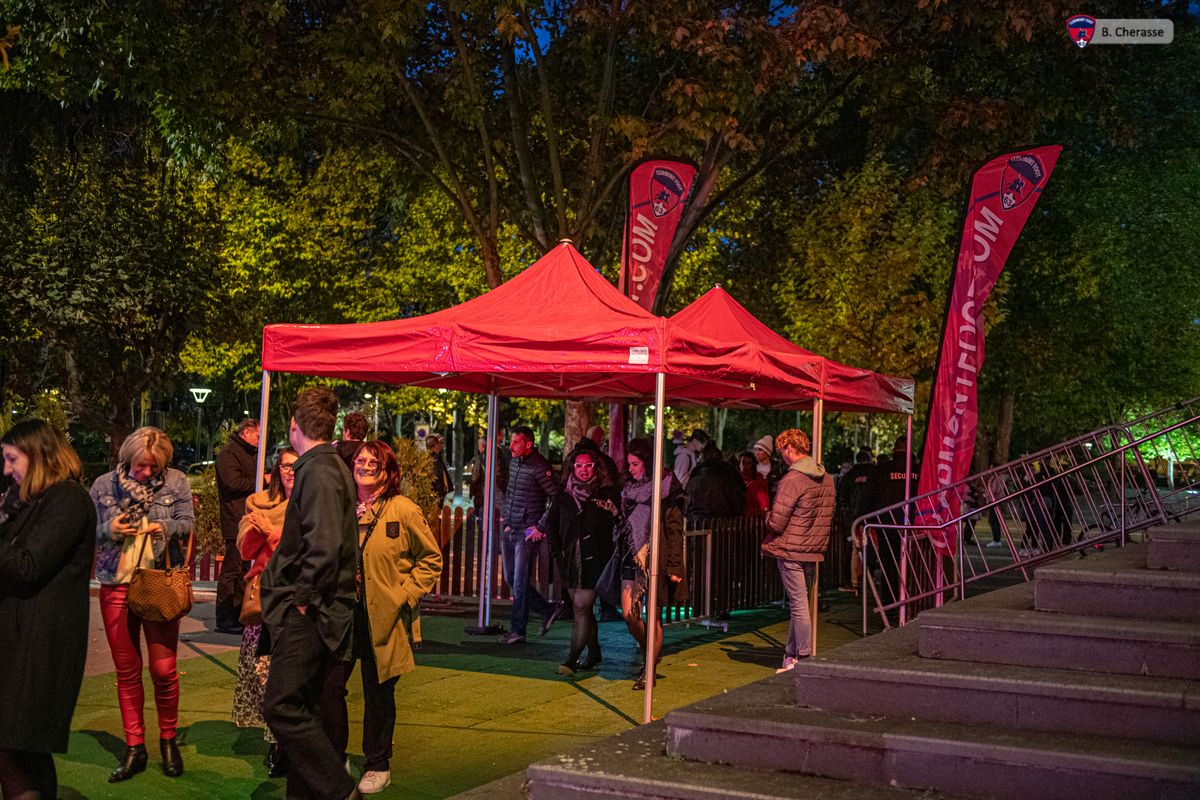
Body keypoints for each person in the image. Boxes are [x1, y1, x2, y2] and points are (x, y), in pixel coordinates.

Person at [260, 387, 359, 800]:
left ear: (293, 426)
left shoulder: (318, 471)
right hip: (322, 608)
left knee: (281, 705)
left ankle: (339, 790)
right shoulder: (327, 467)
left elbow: (323, 546)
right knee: (308, 706)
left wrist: (300, 599)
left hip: (312, 610)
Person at [91, 426, 195, 781]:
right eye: (140, 466)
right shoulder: (104, 484)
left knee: (164, 669)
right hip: (116, 580)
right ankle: (135, 746)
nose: (147, 473)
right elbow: (88, 530)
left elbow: (188, 523)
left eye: (153, 467)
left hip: (158, 582)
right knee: (127, 670)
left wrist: (161, 526)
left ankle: (168, 739)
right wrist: (110, 530)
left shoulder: (177, 481)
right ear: (127, 459)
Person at [0, 420, 96, 800]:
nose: (7, 470)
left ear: (38, 456)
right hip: (23, 641)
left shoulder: (67, 499)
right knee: (23, 749)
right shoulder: (32, 501)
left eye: (12, 459)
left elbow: (28, 565)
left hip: (42, 645)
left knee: (15, 746)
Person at [345, 440, 442, 795]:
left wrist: (405, 594)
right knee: (329, 686)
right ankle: (333, 754)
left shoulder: (402, 509)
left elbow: (431, 558)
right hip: (344, 613)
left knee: (379, 691)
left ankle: (377, 763)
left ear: (388, 470)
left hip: (384, 617)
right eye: (360, 459)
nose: (366, 465)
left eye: (374, 461)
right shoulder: (343, 507)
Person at [233, 448, 298, 778]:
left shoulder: (307, 505)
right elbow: (246, 549)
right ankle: (276, 742)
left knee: (286, 675)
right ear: (276, 470)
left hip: (294, 597)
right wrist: (259, 530)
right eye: (285, 466)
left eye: (295, 466)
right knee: (262, 674)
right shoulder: (258, 503)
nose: (290, 471)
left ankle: (285, 744)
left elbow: (297, 550)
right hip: (263, 598)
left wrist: (273, 536)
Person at [541, 447, 620, 676]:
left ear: (596, 467)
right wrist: (557, 551)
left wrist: (612, 512)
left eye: (588, 466)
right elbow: (551, 523)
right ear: (572, 468)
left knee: (581, 606)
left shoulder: (606, 493)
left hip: (595, 560)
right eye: (579, 466)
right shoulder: (563, 494)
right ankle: (594, 651)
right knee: (583, 610)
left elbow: (617, 524)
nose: (583, 471)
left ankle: (572, 659)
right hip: (569, 561)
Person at [762, 429, 835, 673]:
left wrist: (767, 517)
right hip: (814, 549)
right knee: (801, 603)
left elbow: (777, 522)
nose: (782, 456)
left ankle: (803, 656)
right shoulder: (827, 478)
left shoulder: (792, 479)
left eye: (782, 451)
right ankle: (791, 655)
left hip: (792, 548)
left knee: (798, 605)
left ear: (790, 449)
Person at [620, 438, 687, 691]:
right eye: (629, 464)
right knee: (629, 614)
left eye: (635, 464)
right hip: (632, 554)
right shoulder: (628, 486)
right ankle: (651, 652)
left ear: (647, 463)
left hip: (656, 555)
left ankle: (649, 669)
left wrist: (674, 566)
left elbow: (674, 528)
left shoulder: (668, 486)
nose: (630, 469)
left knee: (655, 616)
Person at [498, 425, 561, 644]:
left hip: (526, 531)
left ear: (528, 444)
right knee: (512, 579)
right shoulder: (514, 463)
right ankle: (546, 610)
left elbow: (557, 497)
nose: (511, 445)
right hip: (512, 528)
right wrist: (506, 521)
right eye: (511, 441)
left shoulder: (539, 466)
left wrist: (540, 527)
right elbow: (511, 493)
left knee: (519, 582)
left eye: (516, 442)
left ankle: (518, 630)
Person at [214, 417, 260, 634]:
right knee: (232, 569)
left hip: (245, 517)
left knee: (242, 568)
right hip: (235, 518)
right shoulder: (229, 454)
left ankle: (237, 613)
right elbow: (232, 483)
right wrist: (260, 482)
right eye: (258, 436)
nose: (261, 441)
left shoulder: (248, 454)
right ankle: (225, 617)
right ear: (246, 433)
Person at [836, 448, 874, 593]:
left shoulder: (849, 476)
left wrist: (846, 511)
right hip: (871, 516)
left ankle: (855, 580)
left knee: (855, 549)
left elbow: (842, 496)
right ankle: (867, 578)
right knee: (870, 548)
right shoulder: (874, 473)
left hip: (853, 518)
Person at [685, 441, 745, 526]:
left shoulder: (695, 475)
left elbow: (686, 502)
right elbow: (739, 500)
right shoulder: (729, 474)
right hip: (724, 524)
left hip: (697, 522)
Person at [428, 434, 453, 502]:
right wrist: (441, 490)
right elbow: (436, 475)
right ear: (435, 445)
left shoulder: (438, 457)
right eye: (441, 443)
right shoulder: (434, 458)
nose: (442, 446)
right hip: (437, 494)